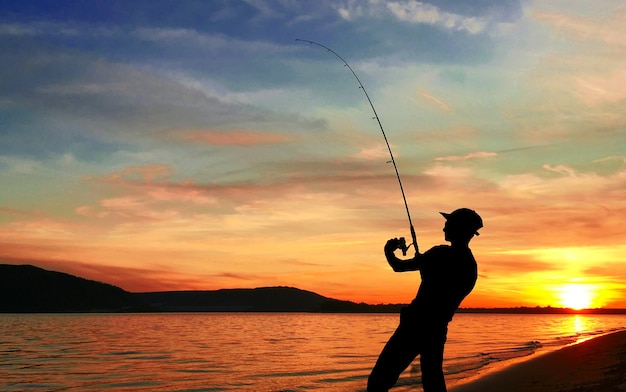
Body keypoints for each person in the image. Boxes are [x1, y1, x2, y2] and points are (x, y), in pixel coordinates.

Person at [367, 208, 483, 392]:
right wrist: (427, 267)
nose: (444, 229)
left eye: (448, 225)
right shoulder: (471, 266)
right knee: (433, 382)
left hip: (414, 327)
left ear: (460, 229)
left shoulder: (439, 254)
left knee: (378, 381)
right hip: (437, 330)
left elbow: (398, 267)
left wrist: (388, 251)